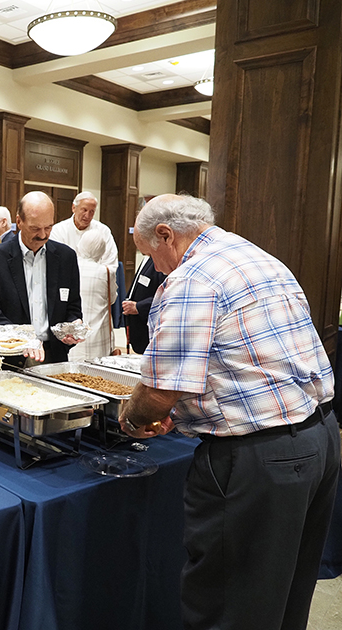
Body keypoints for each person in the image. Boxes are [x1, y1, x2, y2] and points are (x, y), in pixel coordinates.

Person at [118, 194, 339, 630]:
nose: (157, 269)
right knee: (284, 593)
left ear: (166, 234)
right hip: (322, 438)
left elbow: (160, 393)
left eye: (152, 257)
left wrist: (130, 417)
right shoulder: (256, 257)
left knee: (228, 603)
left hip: (259, 459)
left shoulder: (192, 279)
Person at [0, 191, 82, 364]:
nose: (42, 235)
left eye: (48, 227)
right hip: (9, 359)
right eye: (35, 228)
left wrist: (72, 326)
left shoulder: (66, 257)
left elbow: (73, 307)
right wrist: (24, 340)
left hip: (53, 356)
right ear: (18, 222)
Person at [69, 232, 117, 361]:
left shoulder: (70, 267)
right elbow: (112, 299)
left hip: (75, 334)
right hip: (98, 336)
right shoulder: (106, 272)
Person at [49, 191, 118, 269]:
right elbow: (54, 261)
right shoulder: (58, 230)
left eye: (92, 211)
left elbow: (110, 262)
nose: (87, 215)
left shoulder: (103, 231)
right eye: (84, 210)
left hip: (96, 277)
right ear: (74, 208)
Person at [122, 253, 166, 354]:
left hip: (149, 331)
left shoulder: (162, 261)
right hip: (138, 330)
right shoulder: (148, 258)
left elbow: (165, 295)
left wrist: (138, 307)